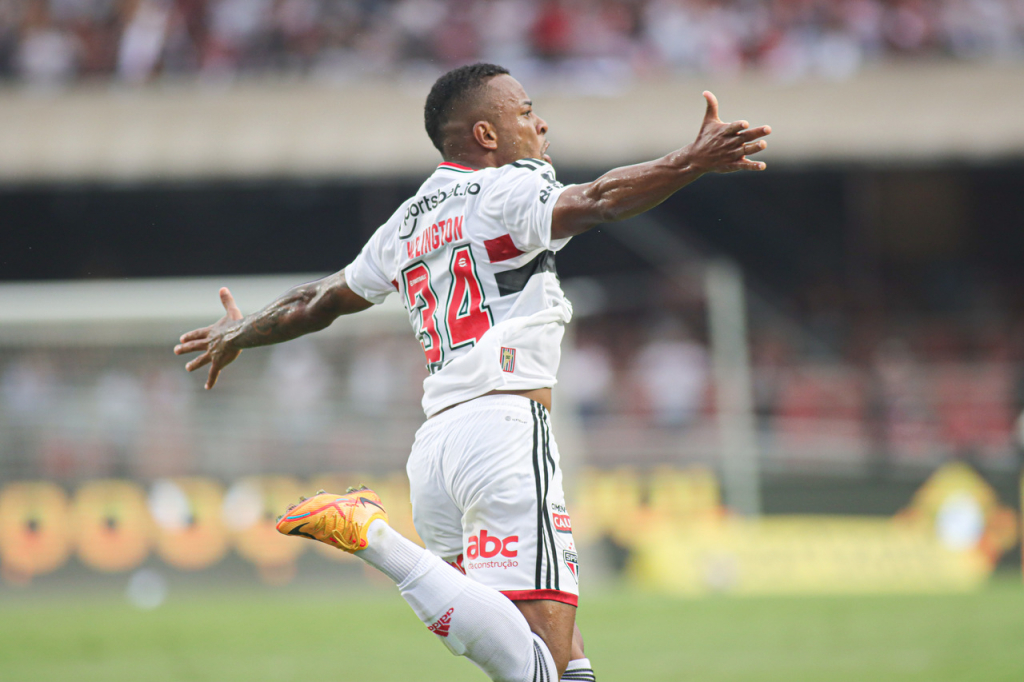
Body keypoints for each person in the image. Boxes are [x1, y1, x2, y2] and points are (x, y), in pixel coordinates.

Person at [174, 62, 770, 682]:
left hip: (437, 450)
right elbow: (596, 202)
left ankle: (374, 534)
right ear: (486, 135)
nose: (541, 123)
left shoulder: (405, 222)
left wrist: (242, 330)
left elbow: (318, 301)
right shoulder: (506, 188)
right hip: (505, 430)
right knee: (536, 668)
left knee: (559, 661)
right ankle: (372, 536)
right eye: (524, 111)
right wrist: (691, 162)